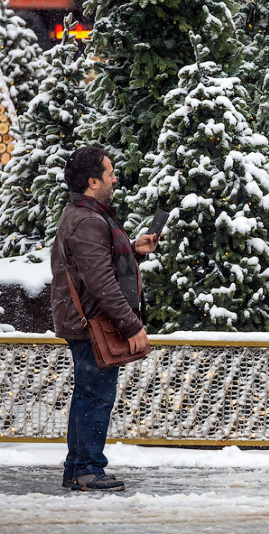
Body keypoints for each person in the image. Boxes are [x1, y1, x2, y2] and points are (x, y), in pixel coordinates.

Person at [50, 146, 157, 491]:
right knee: (95, 397)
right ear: (93, 181)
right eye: (110, 174)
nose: (114, 180)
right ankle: (87, 470)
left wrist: (134, 251)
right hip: (92, 324)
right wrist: (132, 326)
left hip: (86, 321)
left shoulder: (86, 215)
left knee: (88, 394)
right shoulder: (88, 220)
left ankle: (78, 469)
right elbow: (102, 284)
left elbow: (97, 268)